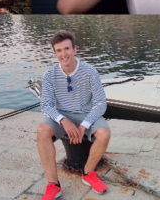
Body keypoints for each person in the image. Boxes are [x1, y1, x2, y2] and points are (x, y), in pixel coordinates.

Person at [38, 30, 111, 199]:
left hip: (86, 113)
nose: (63, 54)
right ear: (55, 53)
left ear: (74, 50)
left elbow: (100, 103)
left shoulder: (90, 71)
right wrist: (63, 120)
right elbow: (46, 105)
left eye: (66, 49)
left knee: (104, 133)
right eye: (59, 50)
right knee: (42, 130)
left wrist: (85, 123)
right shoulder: (50, 74)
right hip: (62, 114)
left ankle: (88, 173)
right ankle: (54, 185)